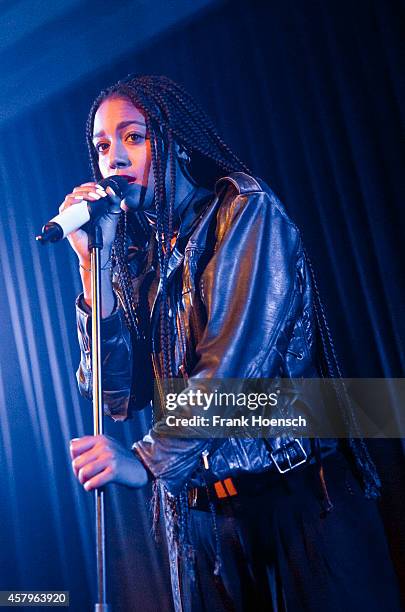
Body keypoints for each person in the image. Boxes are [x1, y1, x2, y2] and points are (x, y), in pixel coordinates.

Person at [65, 75, 401, 611]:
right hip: (202, 521)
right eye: (102, 147)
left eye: (133, 137)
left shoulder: (243, 212)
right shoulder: (138, 263)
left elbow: (232, 363)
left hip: (295, 501)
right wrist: (92, 266)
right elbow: (117, 398)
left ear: (172, 140)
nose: (114, 160)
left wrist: (147, 462)